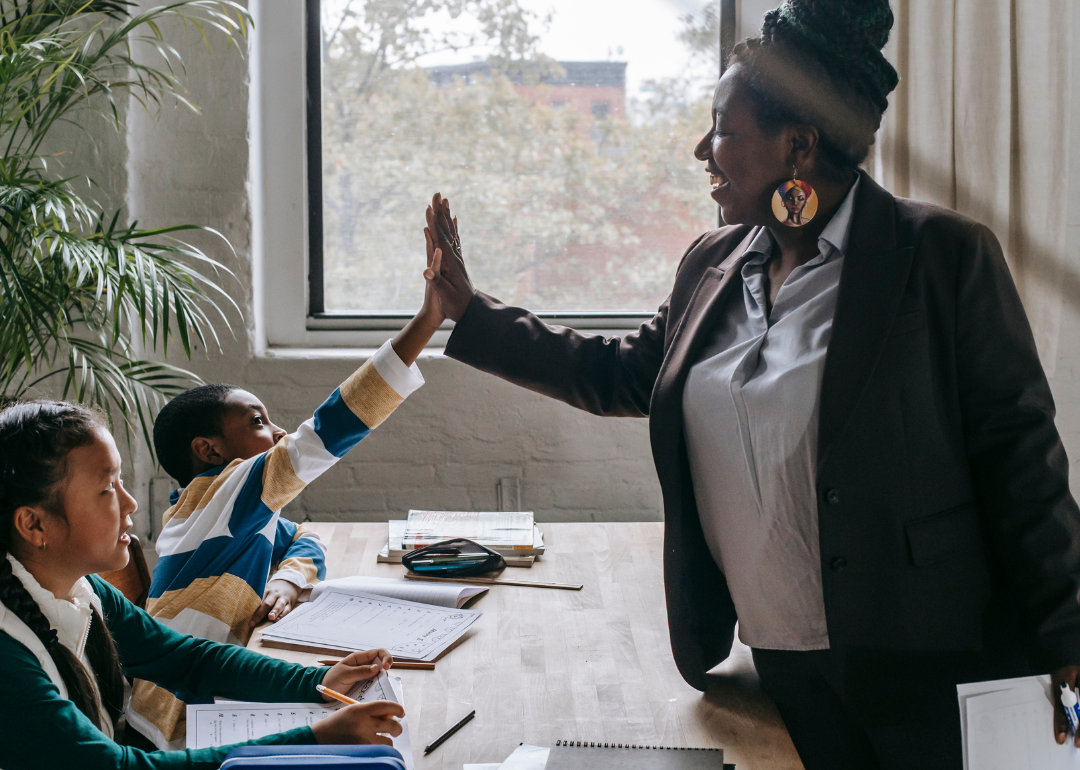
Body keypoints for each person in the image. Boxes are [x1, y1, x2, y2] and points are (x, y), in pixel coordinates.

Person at [420, 1, 1080, 767]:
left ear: (798, 146)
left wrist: (1069, 634)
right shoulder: (713, 264)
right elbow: (624, 373)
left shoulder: (941, 258)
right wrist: (469, 314)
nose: (704, 149)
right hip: (778, 663)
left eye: (724, 129)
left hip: (924, 664)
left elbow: (1020, 456)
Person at [129, 230, 447, 749]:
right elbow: (324, 434)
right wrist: (427, 321)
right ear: (209, 451)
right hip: (175, 721)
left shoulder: (230, 513)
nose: (276, 432)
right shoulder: (220, 493)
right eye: (258, 421)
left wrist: (290, 581)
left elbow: (306, 537)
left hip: (212, 690)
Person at [0, 400, 406, 770]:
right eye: (107, 489)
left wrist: (316, 682)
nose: (130, 503)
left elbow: (189, 660)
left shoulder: (83, 590)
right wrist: (314, 738)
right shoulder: (9, 655)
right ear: (35, 524)